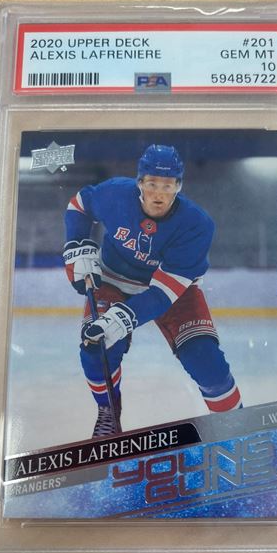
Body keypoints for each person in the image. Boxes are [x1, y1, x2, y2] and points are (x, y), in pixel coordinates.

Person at [62, 144, 242, 437]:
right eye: (152, 184)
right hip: (112, 280)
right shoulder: (115, 194)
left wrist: (124, 317)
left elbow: (162, 294)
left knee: (207, 362)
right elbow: (80, 205)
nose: (159, 193)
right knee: (96, 349)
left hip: (170, 292)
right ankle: (108, 414)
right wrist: (76, 243)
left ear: (178, 187)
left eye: (167, 186)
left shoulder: (196, 226)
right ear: (140, 183)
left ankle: (234, 426)